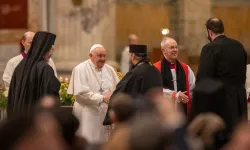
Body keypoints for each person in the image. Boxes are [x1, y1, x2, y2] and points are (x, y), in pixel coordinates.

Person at [195, 18, 248, 134]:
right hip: (240, 100)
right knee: (238, 136)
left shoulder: (209, 48)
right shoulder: (239, 46)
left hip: (221, 102)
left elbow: (203, 80)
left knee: (223, 138)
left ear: (209, 32)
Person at [67, 44, 119, 144]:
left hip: (105, 114)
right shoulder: (80, 69)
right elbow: (81, 94)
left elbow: (117, 89)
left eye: (104, 56)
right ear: (90, 55)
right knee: (88, 143)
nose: (103, 59)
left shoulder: (110, 69)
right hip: (87, 114)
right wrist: (103, 98)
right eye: (99, 55)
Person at [103, 44, 163, 125]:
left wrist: (112, 96)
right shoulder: (156, 71)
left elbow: (122, 91)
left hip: (137, 118)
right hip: (154, 116)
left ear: (133, 56)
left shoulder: (135, 73)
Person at [7, 31, 60, 118]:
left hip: (19, 117)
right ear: (44, 48)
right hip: (36, 119)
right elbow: (50, 96)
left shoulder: (21, 66)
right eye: (51, 49)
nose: (52, 54)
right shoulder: (45, 68)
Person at [154, 37, 195, 115]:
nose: (175, 50)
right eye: (171, 47)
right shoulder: (155, 68)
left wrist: (187, 99)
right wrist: (174, 95)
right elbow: (155, 89)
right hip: (162, 111)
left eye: (176, 47)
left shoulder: (185, 68)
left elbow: (193, 87)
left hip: (182, 111)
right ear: (163, 51)